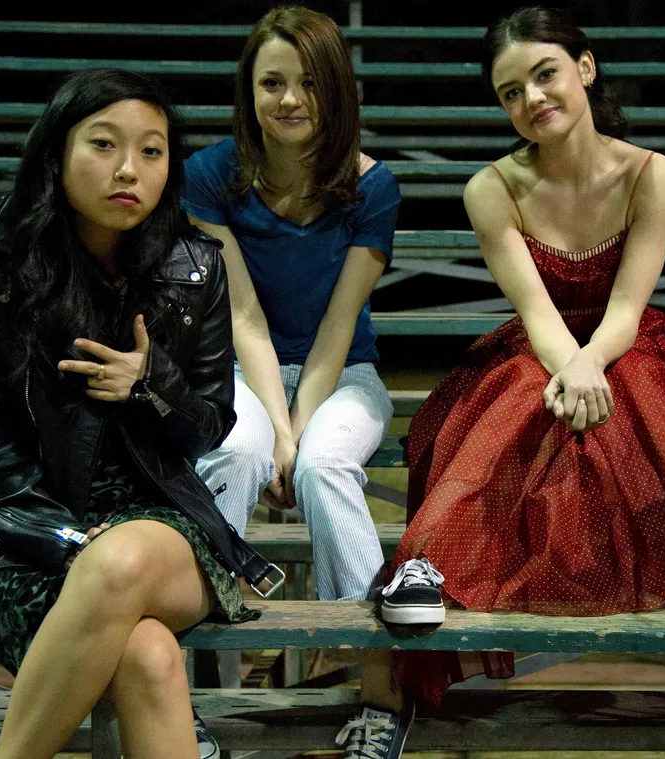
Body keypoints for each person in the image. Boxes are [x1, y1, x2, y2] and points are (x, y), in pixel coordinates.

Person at [377, 8, 665, 749]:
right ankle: (427, 561)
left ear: (585, 69)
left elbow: (627, 307)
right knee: (514, 403)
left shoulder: (653, 174)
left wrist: (591, 363)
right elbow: (536, 311)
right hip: (543, 343)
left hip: (628, 339)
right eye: (511, 92)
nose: (531, 99)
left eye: (545, 75)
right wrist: (572, 366)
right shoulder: (490, 188)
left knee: (655, 404)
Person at [0, 69, 280, 759]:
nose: (129, 169)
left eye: (152, 151)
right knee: (147, 654)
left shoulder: (196, 264)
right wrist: (63, 534)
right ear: (56, 153)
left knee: (118, 561)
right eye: (104, 144)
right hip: (22, 534)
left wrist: (149, 383)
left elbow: (209, 426)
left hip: (161, 530)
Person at [180, 7, 402, 758]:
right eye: (271, 82)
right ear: (249, 92)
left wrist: (299, 433)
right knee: (236, 452)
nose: (289, 99)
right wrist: (276, 428)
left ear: (335, 87)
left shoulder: (372, 185)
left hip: (345, 373)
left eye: (308, 81)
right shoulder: (210, 175)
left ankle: (379, 693)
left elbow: (339, 324)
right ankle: (182, 704)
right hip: (239, 367)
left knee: (323, 465)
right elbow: (242, 314)